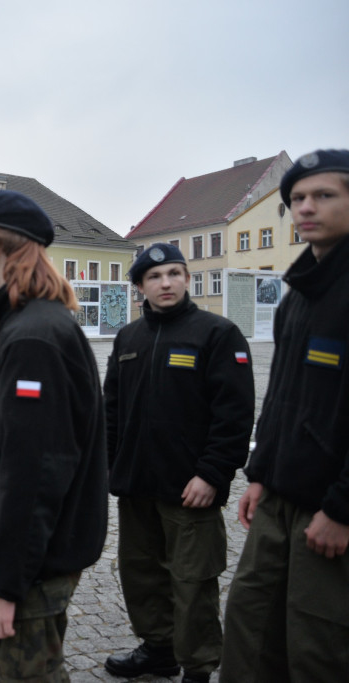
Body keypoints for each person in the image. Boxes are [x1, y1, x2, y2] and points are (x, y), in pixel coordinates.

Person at [0, 190, 108, 681]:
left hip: (33, 568)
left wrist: (3, 583)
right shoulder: (32, 323)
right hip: (36, 561)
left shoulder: (32, 336)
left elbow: (35, 469)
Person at [220, 149, 349, 682]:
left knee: (318, 643)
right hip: (279, 495)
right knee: (251, 621)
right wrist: (259, 474)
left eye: (324, 195)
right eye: (297, 198)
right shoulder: (299, 294)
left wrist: (343, 508)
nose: (306, 208)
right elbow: (282, 396)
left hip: (331, 507)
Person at [102, 243, 254, 683]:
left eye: (173, 273)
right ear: (140, 287)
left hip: (190, 487)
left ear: (186, 278)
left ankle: (198, 666)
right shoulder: (129, 338)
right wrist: (110, 467)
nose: (165, 283)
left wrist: (212, 473)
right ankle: (158, 649)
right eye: (154, 277)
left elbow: (235, 413)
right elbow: (112, 409)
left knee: (192, 582)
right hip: (136, 484)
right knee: (141, 574)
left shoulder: (217, 333)